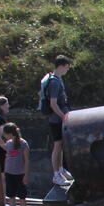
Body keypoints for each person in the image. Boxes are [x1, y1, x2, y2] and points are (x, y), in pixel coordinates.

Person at [41, 55, 73, 186]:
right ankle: (56, 175)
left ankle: (60, 169)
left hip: (59, 118)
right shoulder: (54, 82)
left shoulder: (57, 79)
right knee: (57, 146)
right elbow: (53, 104)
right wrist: (63, 117)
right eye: (67, 67)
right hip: (56, 120)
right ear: (61, 66)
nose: (67, 70)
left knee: (60, 146)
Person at [1, 122, 31, 206]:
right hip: (10, 173)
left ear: (10, 133)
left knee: (22, 197)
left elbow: (27, 160)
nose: (4, 136)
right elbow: (7, 158)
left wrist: (26, 175)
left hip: (20, 174)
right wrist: (4, 172)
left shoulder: (23, 144)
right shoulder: (8, 144)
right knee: (11, 196)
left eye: (5, 133)